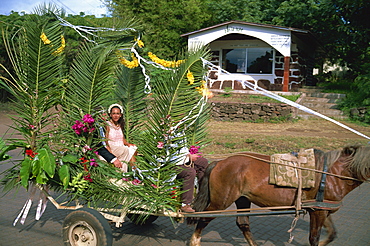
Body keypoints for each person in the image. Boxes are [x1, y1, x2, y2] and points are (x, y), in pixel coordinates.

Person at [103, 103, 137, 172]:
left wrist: (128, 144)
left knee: (133, 148)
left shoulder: (120, 125)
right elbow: (105, 139)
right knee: (125, 150)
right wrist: (109, 151)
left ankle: (134, 170)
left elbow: (122, 138)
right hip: (112, 146)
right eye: (114, 113)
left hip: (120, 145)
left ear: (120, 115)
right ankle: (123, 172)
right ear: (110, 114)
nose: (116, 116)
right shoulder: (107, 124)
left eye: (117, 114)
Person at [175, 145, 209, 213]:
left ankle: (202, 196)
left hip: (183, 160)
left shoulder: (179, 134)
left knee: (203, 162)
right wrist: (188, 157)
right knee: (190, 172)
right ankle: (185, 204)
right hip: (173, 165)